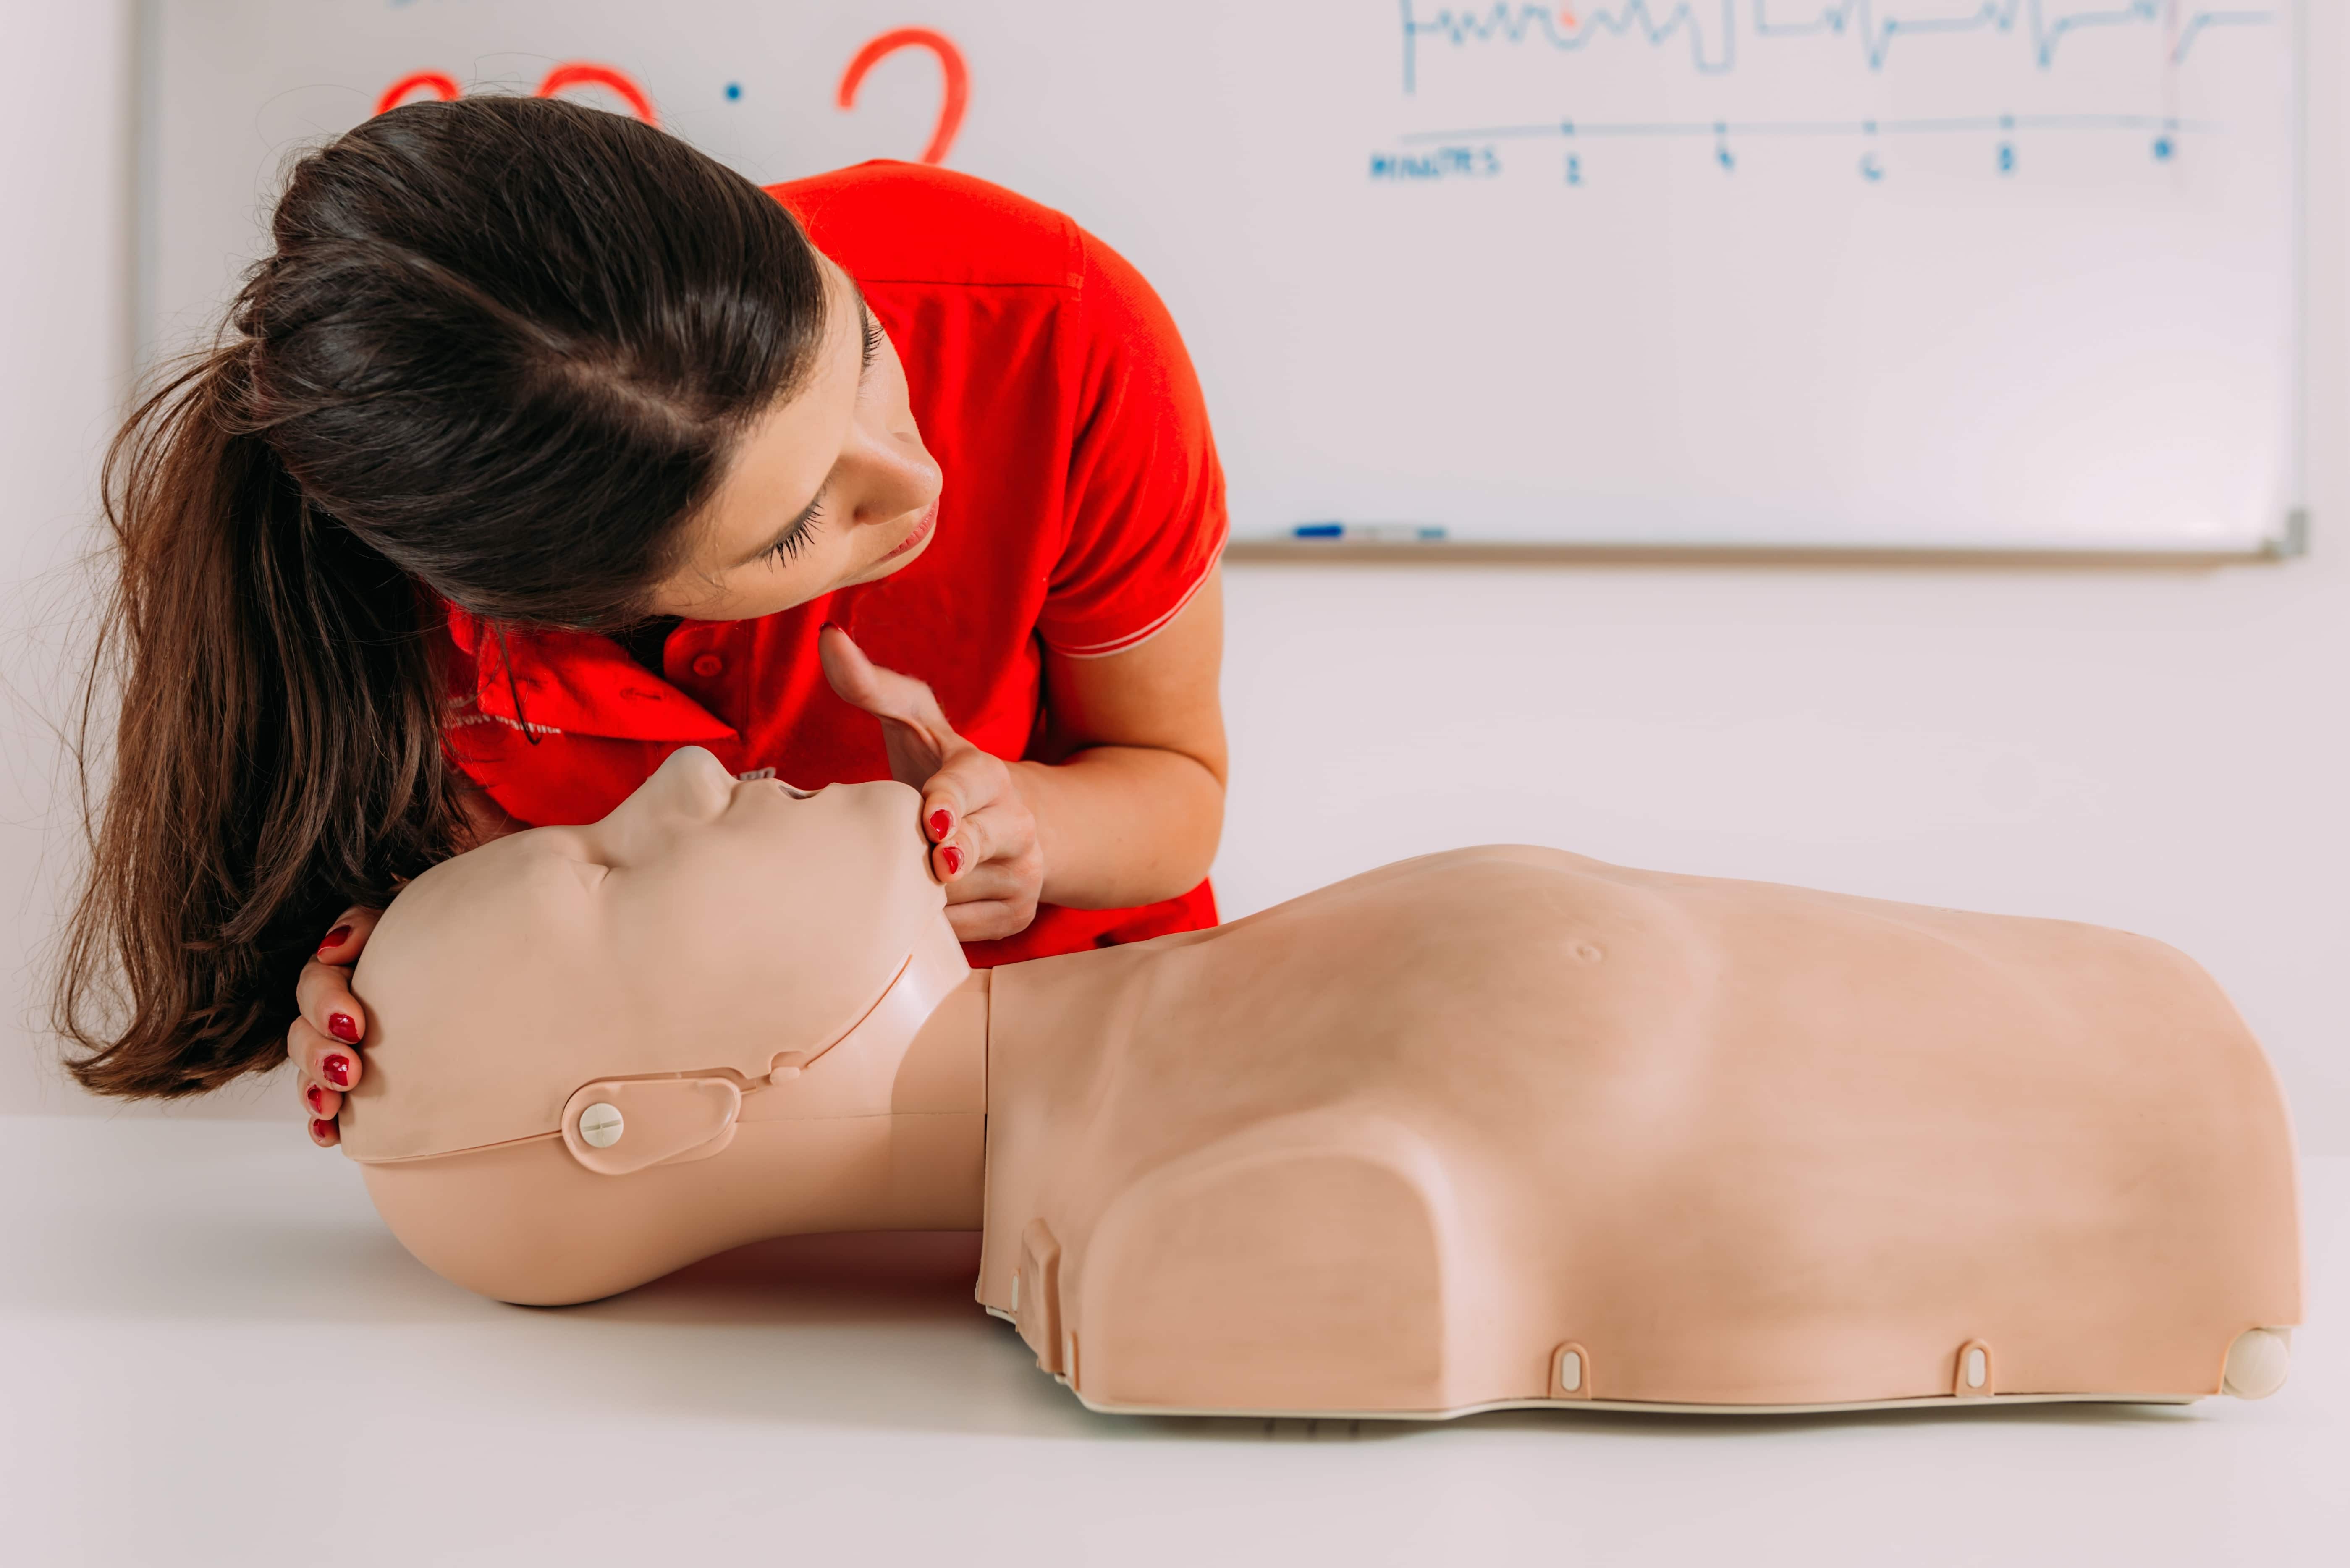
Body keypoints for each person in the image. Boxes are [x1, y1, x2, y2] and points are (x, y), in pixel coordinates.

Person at [337, 746, 2301, 1415]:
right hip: (2168, 1158)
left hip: (2172, 1103)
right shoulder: (1184, 1226)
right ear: (643, 1120)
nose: (673, 787)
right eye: (599, 875)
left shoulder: (1167, 1053)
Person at [55, 95, 1231, 1138]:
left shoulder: (1056, 325)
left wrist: (1033, 824)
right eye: (789, 529)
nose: (915, 478)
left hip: (1077, 1082)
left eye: (860, 343)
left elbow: (1176, 780)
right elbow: (479, 932)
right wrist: (406, 980)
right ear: (549, 608)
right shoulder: (377, 587)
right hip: (670, 1148)